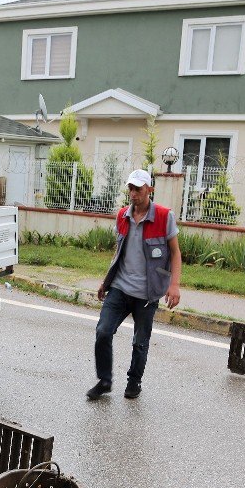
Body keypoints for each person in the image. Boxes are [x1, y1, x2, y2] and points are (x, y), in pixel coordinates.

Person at [87, 169, 182, 401]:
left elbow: (175, 252)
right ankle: (105, 380)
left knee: (140, 342)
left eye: (138, 189)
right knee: (103, 332)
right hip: (120, 287)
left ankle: (134, 381)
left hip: (147, 294)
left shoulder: (163, 216)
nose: (133, 193)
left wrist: (174, 285)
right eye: (130, 188)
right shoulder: (122, 215)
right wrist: (105, 281)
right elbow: (118, 252)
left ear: (149, 189)